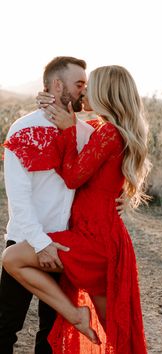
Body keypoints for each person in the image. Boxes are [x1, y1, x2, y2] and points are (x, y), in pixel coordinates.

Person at [2, 65, 151, 353]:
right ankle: (75, 315)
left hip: (95, 238)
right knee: (116, 329)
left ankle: (75, 315)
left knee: (117, 330)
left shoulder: (106, 133)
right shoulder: (98, 129)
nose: (84, 91)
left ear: (105, 93)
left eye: (88, 85)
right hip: (88, 233)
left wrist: (68, 130)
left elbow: (73, 176)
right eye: (80, 84)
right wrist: (47, 99)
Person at [0, 56, 94, 354]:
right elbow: (18, 197)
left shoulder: (86, 133)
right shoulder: (24, 129)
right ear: (57, 85)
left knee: (53, 333)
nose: (84, 90)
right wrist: (41, 243)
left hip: (68, 245)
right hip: (26, 240)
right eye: (79, 84)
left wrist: (120, 199)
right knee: (6, 325)